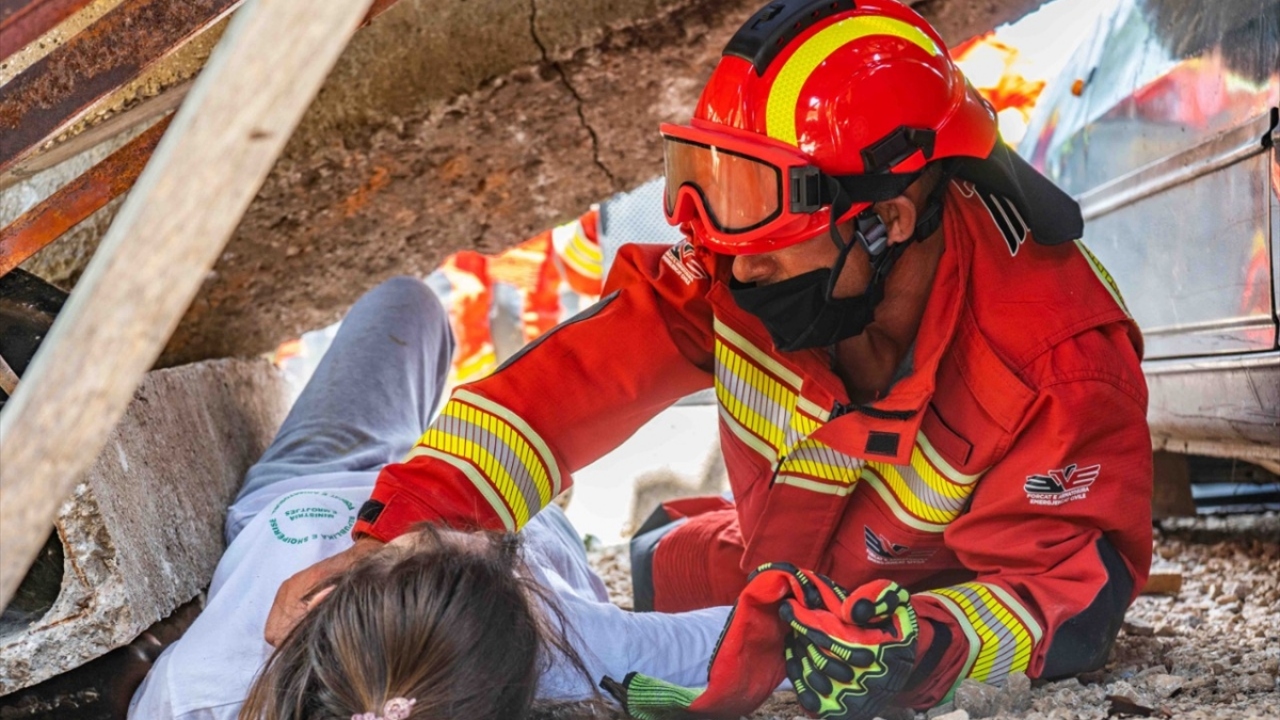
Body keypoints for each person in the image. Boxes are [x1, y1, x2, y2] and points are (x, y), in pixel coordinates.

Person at [269, 0, 1154, 717]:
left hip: (900, 602)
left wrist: (927, 648)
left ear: (883, 221)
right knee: (663, 569)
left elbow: (1064, 591)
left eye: (759, 213)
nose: (733, 257)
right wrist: (403, 536)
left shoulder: (1056, 359)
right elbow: (544, 402)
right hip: (780, 565)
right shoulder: (751, 267)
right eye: (713, 179)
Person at [128, 277, 732, 720]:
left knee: (406, 305)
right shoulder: (571, 648)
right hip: (507, 489)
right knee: (514, 478)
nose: (444, 523)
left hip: (322, 476)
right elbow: (755, 635)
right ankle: (547, 505)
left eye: (435, 536)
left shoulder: (194, 696)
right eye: (491, 541)